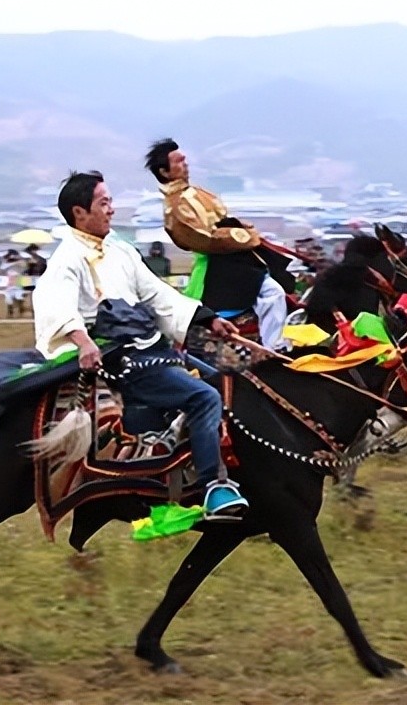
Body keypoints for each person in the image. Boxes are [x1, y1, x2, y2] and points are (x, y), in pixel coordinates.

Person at [32, 171, 247, 519]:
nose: (112, 210)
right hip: (117, 357)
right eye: (104, 203)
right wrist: (83, 341)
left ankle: (174, 454)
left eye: (110, 201)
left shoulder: (121, 251)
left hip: (149, 346)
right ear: (79, 213)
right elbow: (57, 305)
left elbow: (158, 295)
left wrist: (208, 319)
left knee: (221, 381)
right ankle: (212, 487)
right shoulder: (66, 259)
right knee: (203, 396)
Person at [146, 139, 294, 350]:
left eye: (184, 159)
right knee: (273, 293)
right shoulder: (175, 207)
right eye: (179, 161)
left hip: (233, 256)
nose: (185, 164)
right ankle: (273, 347)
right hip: (220, 263)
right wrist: (243, 236)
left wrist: (244, 229)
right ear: (165, 171)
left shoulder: (198, 192)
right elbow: (204, 238)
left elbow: (223, 219)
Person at [1, 250, 29, 318]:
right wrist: (11, 261)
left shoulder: (20, 262)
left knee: (19, 298)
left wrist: (16, 260)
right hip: (9, 286)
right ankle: (10, 313)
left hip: (18, 285)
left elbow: (24, 266)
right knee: (9, 300)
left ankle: (21, 311)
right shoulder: (6, 263)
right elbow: (2, 268)